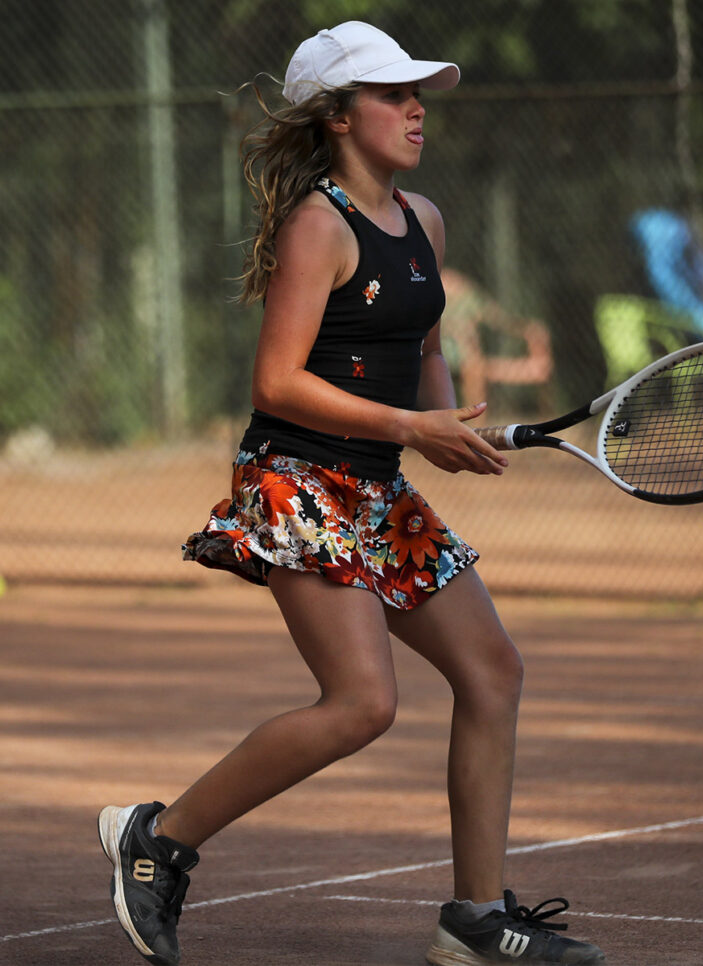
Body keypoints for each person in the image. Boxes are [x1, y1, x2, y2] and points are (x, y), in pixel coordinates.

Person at [97, 21, 605, 966]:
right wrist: (414, 429)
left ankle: (474, 920)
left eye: (418, 92)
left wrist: (450, 423)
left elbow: (422, 346)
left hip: (376, 486)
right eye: (390, 93)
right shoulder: (317, 225)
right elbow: (277, 382)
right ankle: (155, 840)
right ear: (335, 117)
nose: (416, 107)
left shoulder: (425, 220)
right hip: (295, 482)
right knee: (362, 703)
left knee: (492, 671)